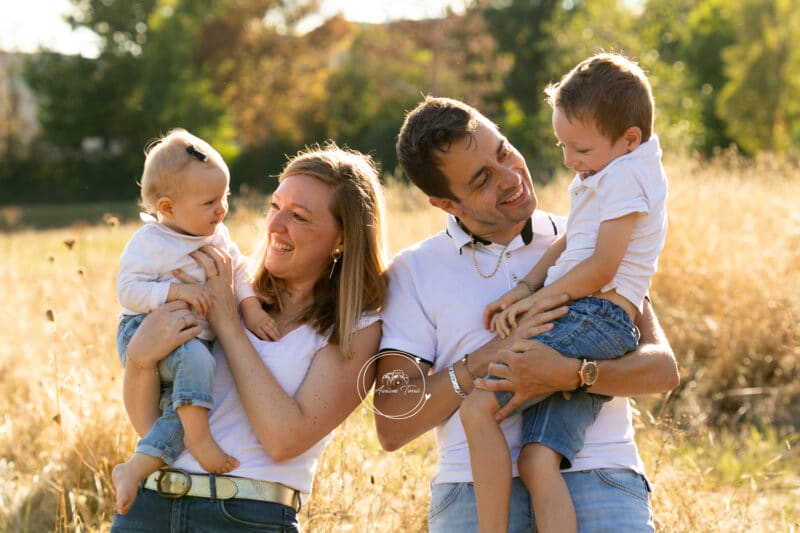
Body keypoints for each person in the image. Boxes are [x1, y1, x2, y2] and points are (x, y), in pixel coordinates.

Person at [374, 96, 679, 533]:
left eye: (503, 151)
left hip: (599, 473)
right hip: (472, 493)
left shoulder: (588, 231)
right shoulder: (413, 271)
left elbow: (662, 371)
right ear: (446, 203)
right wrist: (493, 354)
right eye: (482, 179)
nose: (510, 176)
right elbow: (393, 423)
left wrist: (574, 373)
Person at [111, 142, 387, 532]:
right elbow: (151, 424)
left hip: (246, 517)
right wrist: (139, 361)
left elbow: (284, 440)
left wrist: (228, 322)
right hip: (150, 504)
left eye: (299, 217)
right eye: (275, 207)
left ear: (342, 239)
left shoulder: (354, 327)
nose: (275, 225)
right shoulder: (220, 279)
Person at [461, 52, 668, 533]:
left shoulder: (627, 176)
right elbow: (574, 243)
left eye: (580, 149)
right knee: (536, 461)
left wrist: (536, 302)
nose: (569, 162)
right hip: (588, 315)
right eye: (562, 146)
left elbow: (602, 266)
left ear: (629, 139)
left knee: (476, 409)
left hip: (597, 318)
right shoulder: (606, 170)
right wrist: (526, 288)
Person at [113, 129, 280, 515]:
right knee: (199, 366)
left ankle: (136, 467)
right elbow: (128, 290)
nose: (221, 210)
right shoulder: (151, 241)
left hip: (191, 341)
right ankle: (201, 440)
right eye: (209, 202)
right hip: (148, 330)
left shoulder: (216, 234)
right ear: (168, 207)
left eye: (225, 197)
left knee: (180, 406)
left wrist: (251, 307)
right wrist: (175, 292)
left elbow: (237, 271)